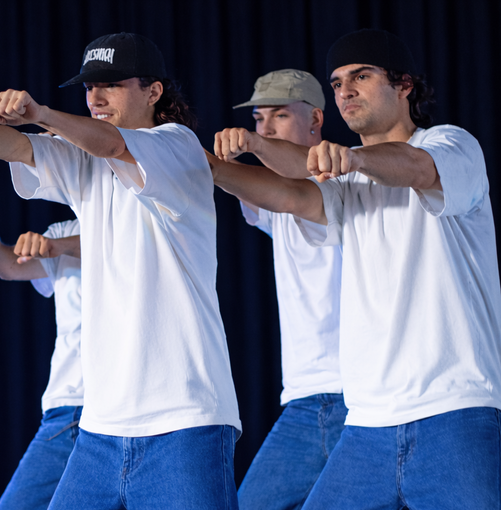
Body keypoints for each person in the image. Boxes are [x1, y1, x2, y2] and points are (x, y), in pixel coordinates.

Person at [0, 32, 240, 510]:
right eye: (89, 87)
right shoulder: (83, 160)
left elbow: (113, 146)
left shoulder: (177, 144)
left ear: (154, 92)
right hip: (100, 431)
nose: (96, 97)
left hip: (184, 420)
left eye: (111, 84)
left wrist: (43, 113)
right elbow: (20, 148)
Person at [210, 29, 501, 508]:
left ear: (404, 85)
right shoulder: (348, 186)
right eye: (338, 80)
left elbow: (418, 168)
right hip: (367, 427)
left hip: (454, 411)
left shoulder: (451, 144)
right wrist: (213, 164)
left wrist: (353, 158)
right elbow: (287, 193)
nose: (345, 89)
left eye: (361, 76)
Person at [227, 70, 346, 509]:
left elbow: (299, 184)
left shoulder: (348, 177)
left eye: (279, 115)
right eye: (259, 119)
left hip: (362, 395)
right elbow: (253, 190)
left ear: (316, 118)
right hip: (302, 400)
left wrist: (254, 148)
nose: (265, 129)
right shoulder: (273, 200)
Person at [0, 219, 82, 510]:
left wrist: (58, 247)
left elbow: (117, 239)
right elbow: (11, 266)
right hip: (70, 408)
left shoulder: (144, 211)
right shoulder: (63, 229)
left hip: (136, 409)